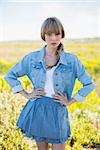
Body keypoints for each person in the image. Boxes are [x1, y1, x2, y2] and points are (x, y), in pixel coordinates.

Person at [4, 17, 96, 150]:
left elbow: (89, 84)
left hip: (57, 110)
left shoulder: (71, 60)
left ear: (62, 35)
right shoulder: (32, 58)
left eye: (57, 34)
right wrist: (27, 94)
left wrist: (70, 101)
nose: (54, 38)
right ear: (44, 35)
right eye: (49, 34)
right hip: (38, 108)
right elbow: (10, 75)